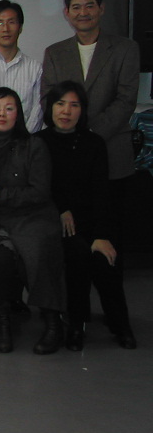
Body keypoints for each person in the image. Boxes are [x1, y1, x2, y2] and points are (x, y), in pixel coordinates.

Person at [38, 81, 136, 350]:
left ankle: (120, 324)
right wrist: (61, 210)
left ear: (82, 110)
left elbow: (101, 192)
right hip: (55, 221)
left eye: (74, 105)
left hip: (91, 220)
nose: (66, 111)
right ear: (50, 108)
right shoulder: (39, 142)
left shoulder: (94, 143)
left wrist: (101, 235)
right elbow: (41, 188)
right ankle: (76, 324)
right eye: (60, 104)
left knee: (106, 257)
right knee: (78, 254)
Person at [0, 87, 66, 355]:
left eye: (9, 108)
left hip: (33, 216)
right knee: (0, 260)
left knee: (38, 253)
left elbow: (40, 192)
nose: (2, 114)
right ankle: (2, 326)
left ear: (18, 114)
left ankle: (53, 323)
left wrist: (2, 193)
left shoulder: (34, 145)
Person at [42, 0, 140, 183]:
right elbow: (48, 99)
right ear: (67, 13)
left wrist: (90, 135)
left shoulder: (125, 49)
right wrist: (71, 134)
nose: (83, 13)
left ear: (101, 9)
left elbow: (126, 99)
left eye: (89, 6)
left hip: (111, 148)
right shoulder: (54, 52)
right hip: (65, 149)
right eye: (76, 7)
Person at [0, 0, 43, 133]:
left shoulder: (36, 69)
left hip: (25, 140)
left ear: (20, 27)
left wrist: (24, 139)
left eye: (11, 22)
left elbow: (37, 111)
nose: (6, 29)